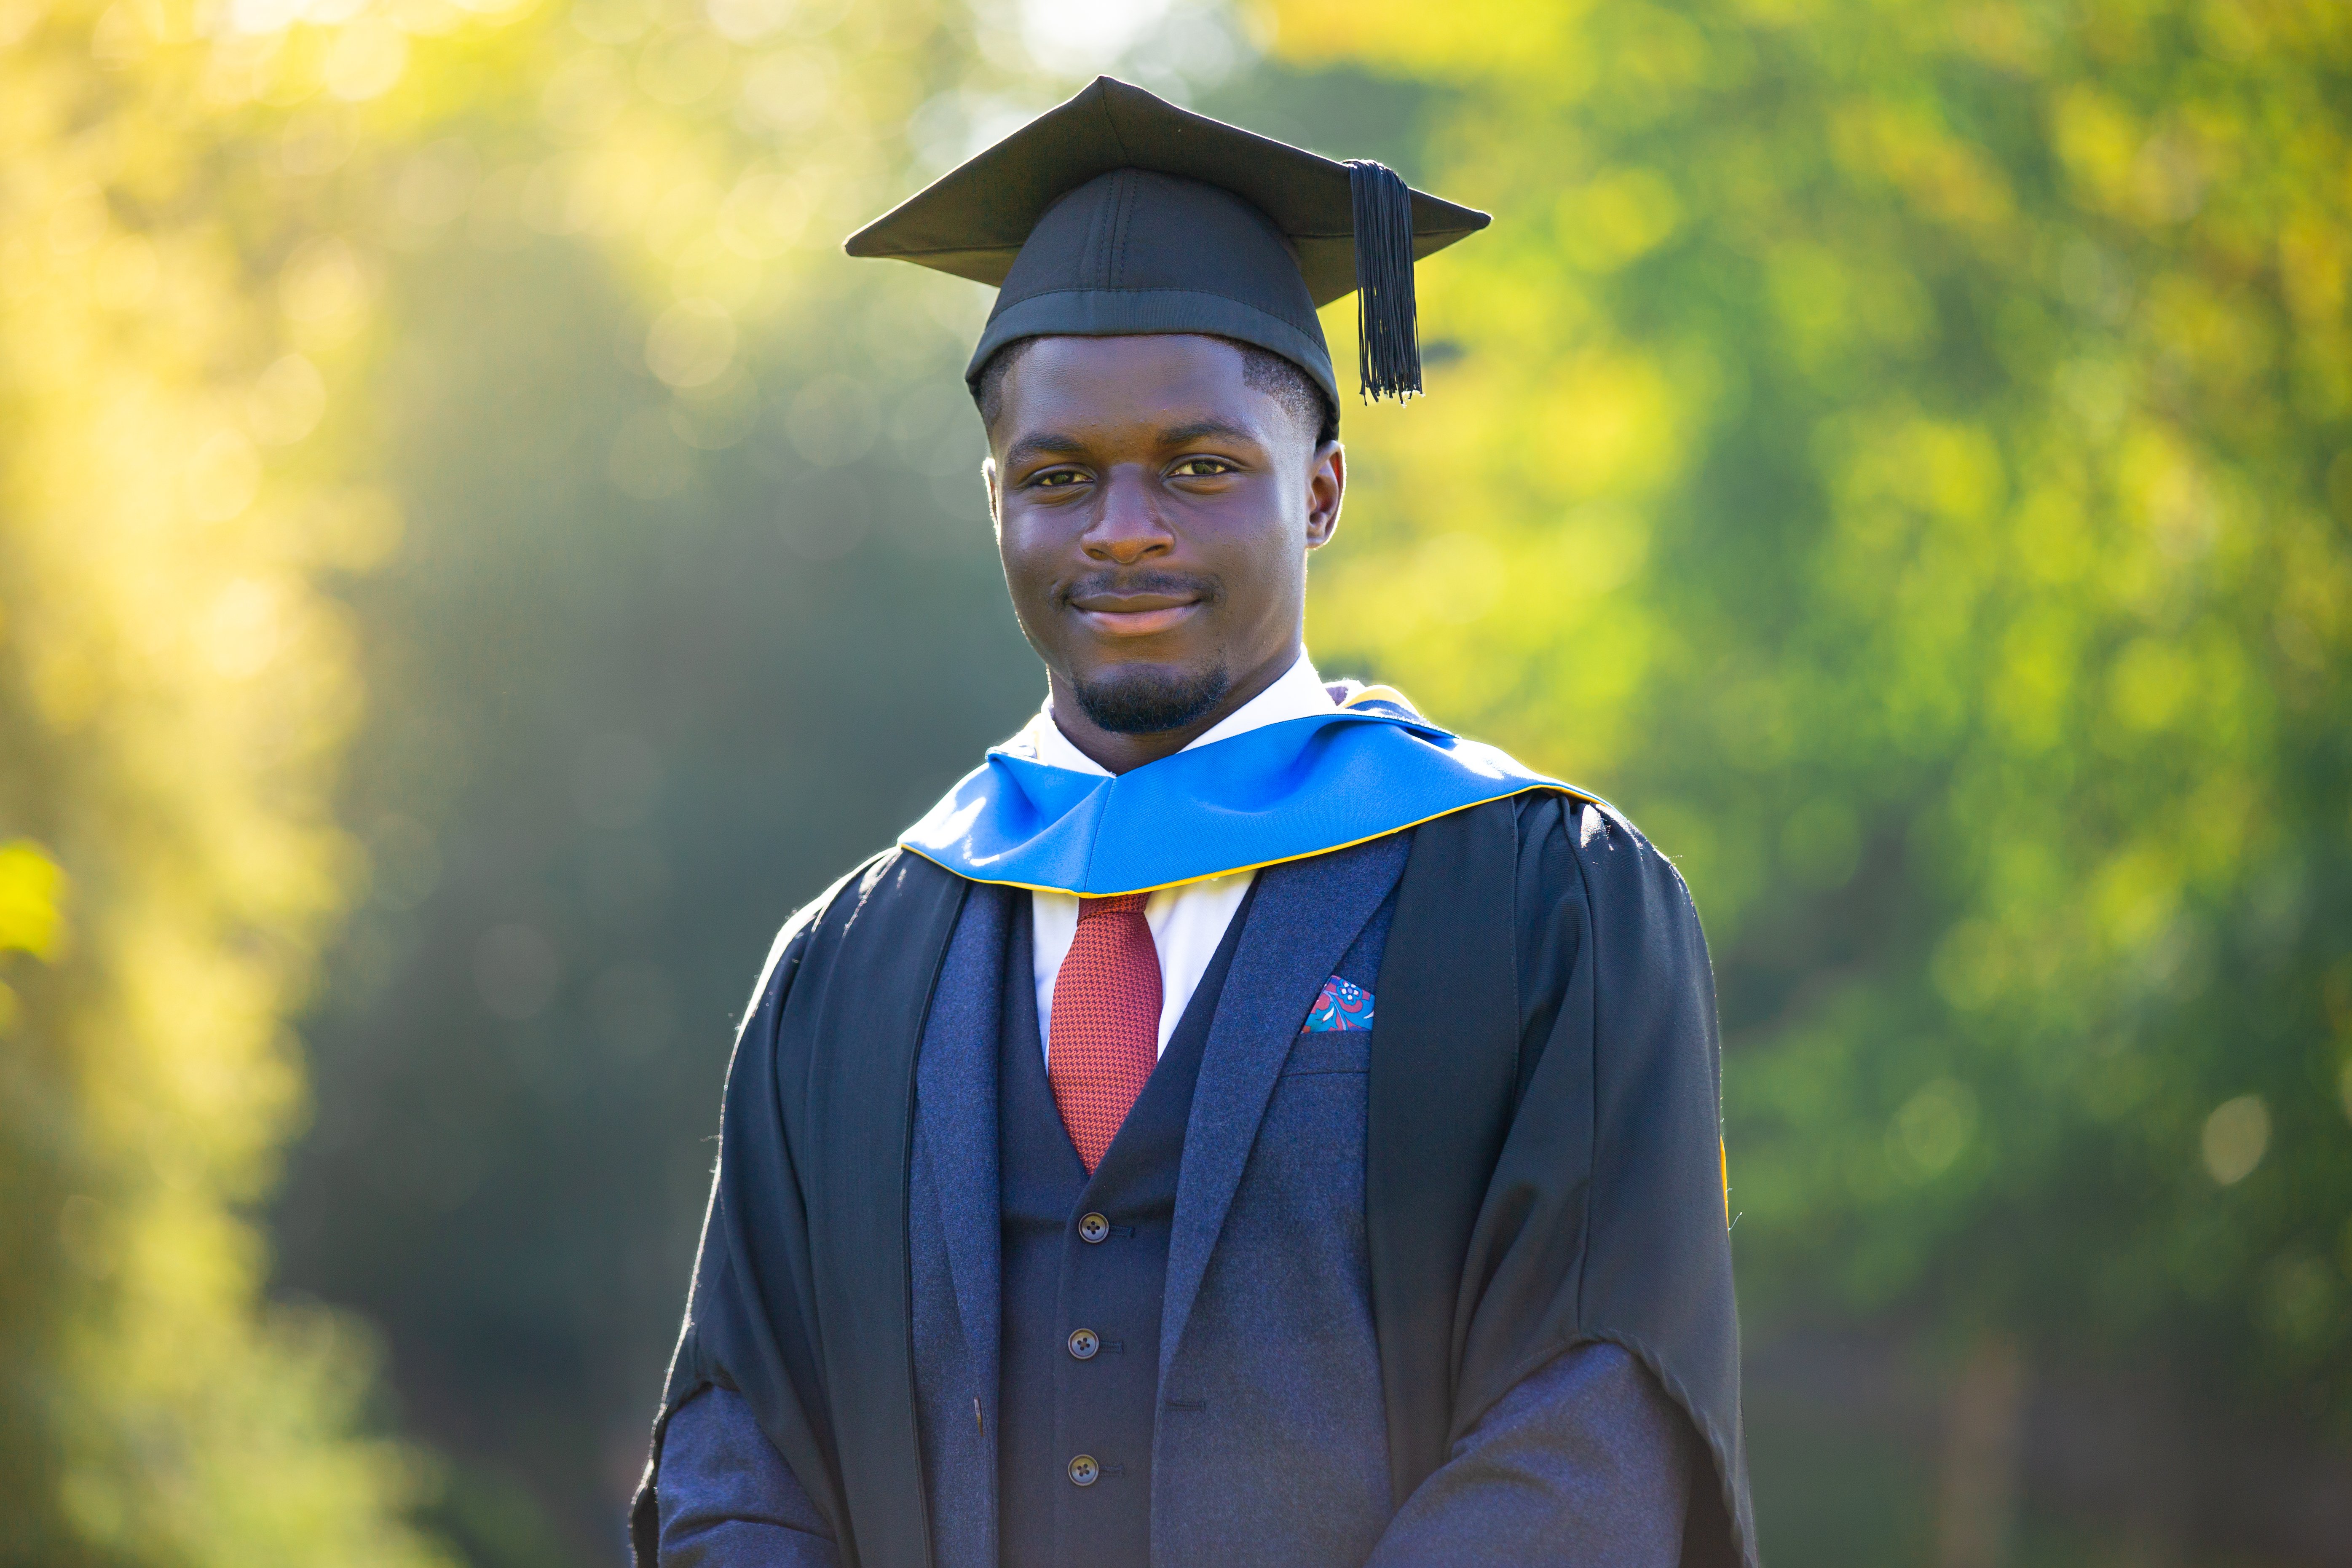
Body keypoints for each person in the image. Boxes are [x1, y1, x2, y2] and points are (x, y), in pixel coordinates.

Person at [631, 77, 1755, 1568]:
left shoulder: (1545, 902)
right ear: (995, 502)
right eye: (1059, 477)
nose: (1124, 527)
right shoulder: (845, 969)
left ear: (1324, 491)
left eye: (1202, 466)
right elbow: (736, 1443)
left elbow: (1595, 1423)